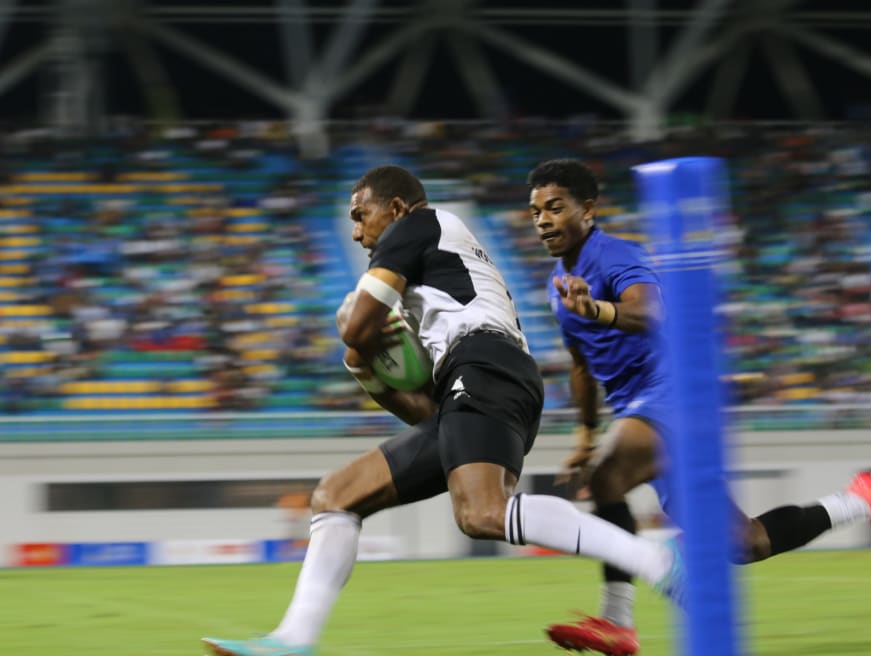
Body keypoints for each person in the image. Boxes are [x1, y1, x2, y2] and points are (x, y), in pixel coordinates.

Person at [202, 165, 684, 656]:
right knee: (337, 495)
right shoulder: (434, 282)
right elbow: (424, 413)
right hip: (476, 379)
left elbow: (355, 327)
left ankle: (655, 560)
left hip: (487, 367)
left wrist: (356, 330)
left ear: (394, 210)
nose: (354, 231)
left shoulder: (418, 225)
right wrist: (364, 367)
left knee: (483, 513)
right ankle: (291, 641)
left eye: (359, 215)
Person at [527, 158, 871, 656]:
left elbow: (655, 313)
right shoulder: (559, 287)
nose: (543, 220)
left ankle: (617, 620)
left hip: (672, 391)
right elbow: (580, 363)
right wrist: (584, 434)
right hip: (640, 410)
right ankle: (860, 500)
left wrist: (598, 308)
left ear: (589, 210)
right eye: (535, 212)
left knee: (605, 479)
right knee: (743, 544)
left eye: (555, 208)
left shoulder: (615, 255)